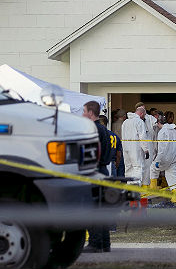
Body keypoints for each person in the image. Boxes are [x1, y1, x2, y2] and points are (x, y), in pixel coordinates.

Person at [82, 101, 112, 252]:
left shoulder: (92, 129)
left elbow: (90, 153)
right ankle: (105, 243)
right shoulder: (104, 129)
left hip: (94, 172)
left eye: (84, 111)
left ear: (91, 113)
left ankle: (95, 243)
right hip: (103, 171)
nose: (82, 114)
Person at [150, 114, 176, 190]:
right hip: (174, 159)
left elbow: (162, 149)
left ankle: (153, 188)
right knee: (172, 179)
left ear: (159, 123)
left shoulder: (162, 132)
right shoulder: (175, 131)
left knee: (152, 169)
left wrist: (158, 160)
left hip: (165, 159)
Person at [121, 105, 150, 184]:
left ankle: (129, 187)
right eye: (144, 115)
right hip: (135, 148)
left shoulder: (125, 122)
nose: (144, 117)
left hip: (126, 148)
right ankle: (135, 188)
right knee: (137, 167)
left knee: (128, 167)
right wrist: (146, 150)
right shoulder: (139, 122)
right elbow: (142, 137)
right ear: (141, 114)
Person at [134, 102, 156, 186]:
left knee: (147, 166)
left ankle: (145, 186)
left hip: (148, 145)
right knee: (138, 167)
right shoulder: (133, 120)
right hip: (137, 146)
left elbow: (155, 124)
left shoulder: (149, 118)